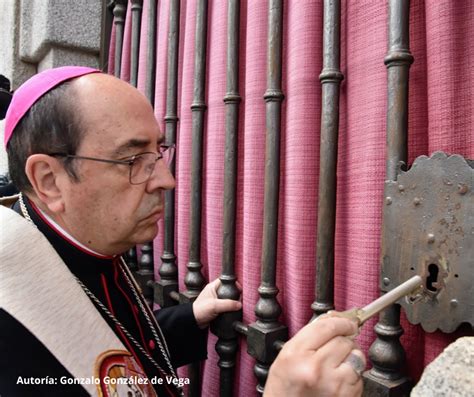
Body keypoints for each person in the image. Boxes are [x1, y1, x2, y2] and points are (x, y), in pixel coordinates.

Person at [0, 67, 365, 397]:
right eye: (133, 161)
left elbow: (109, 356)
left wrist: (187, 318)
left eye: (157, 153)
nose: (167, 180)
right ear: (49, 180)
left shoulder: (83, 238)